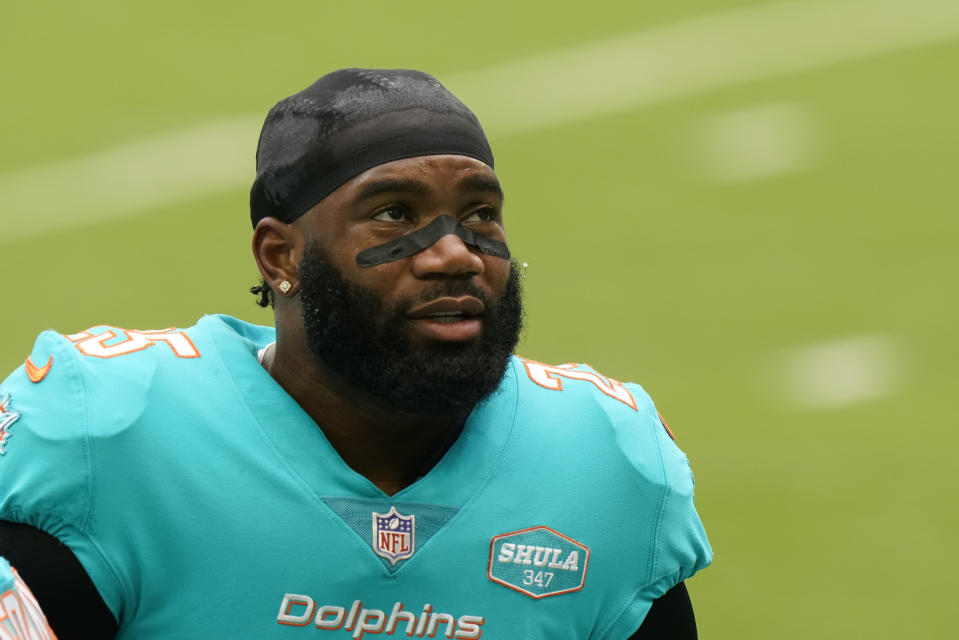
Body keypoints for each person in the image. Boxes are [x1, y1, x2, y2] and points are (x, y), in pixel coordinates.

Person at [0, 68, 711, 638]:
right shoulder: (109, 432)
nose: (456, 253)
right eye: (394, 213)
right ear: (281, 256)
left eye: (480, 214)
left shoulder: (605, 461)